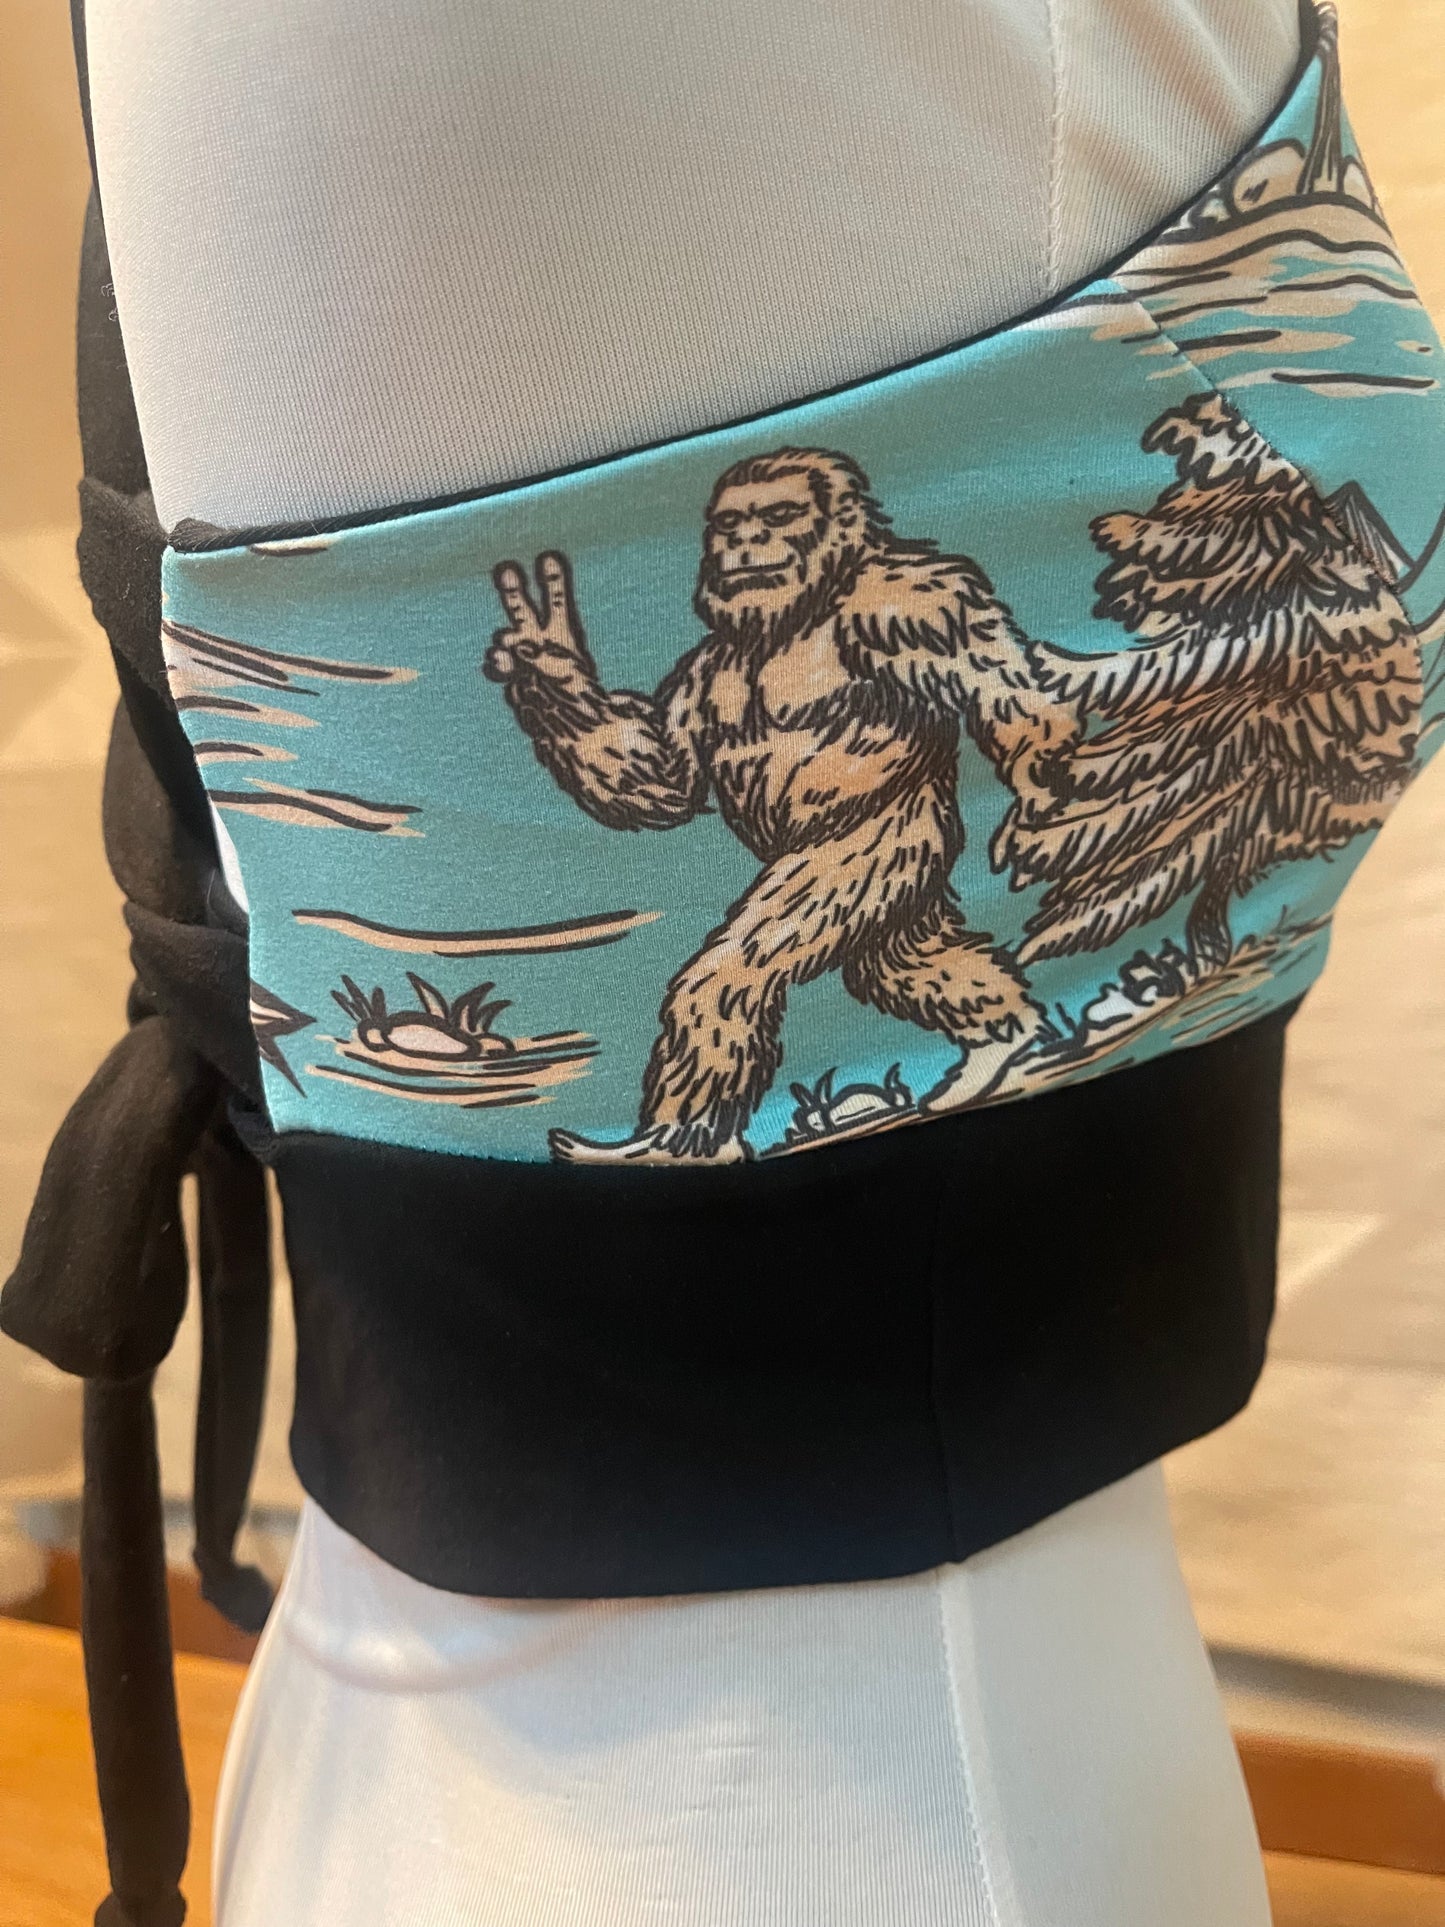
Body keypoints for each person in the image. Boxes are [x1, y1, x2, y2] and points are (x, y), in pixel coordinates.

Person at [6, 1, 1441, 1922]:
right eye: (738, 526)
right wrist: (543, 673)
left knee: (727, 987)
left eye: (779, 520)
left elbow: (1018, 702)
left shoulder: (905, 601)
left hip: (870, 1710)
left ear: (833, 523)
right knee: (937, 996)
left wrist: (1084, 765)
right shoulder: (712, 663)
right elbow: (638, 787)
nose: (750, 543)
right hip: (528, 1745)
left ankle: (704, 1106)